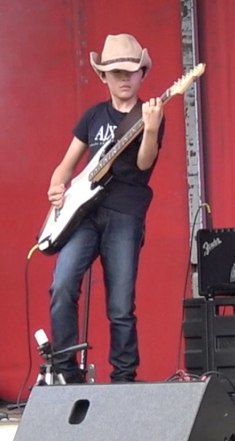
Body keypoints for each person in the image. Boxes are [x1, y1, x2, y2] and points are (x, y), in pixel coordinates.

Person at [46, 33, 165, 383]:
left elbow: (144, 166)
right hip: (83, 214)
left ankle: (124, 378)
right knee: (62, 285)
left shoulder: (150, 113)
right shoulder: (93, 116)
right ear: (103, 76)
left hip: (125, 213)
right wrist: (56, 186)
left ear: (143, 73)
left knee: (120, 304)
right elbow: (67, 165)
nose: (124, 78)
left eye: (131, 71)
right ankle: (67, 371)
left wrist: (153, 130)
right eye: (116, 73)